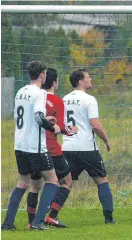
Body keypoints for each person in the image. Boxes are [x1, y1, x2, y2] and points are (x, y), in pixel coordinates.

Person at [1, 61, 61, 231]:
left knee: (22, 182)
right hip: (35, 147)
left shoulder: (21, 91)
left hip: (20, 144)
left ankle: (7, 223)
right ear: (42, 74)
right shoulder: (40, 93)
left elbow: (25, 116)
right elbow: (38, 118)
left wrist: (45, 119)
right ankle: (37, 222)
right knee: (53, 180)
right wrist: (53, 127)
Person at [27, 68, 78, 229]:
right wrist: (72, 130)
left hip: (33, 147)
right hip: (51, 148)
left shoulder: (34, 97)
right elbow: (60, 127)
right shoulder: (56, 101)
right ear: (55, 82)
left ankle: (31, 221)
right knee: (66, 181)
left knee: (35, 185)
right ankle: (51, 217)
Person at [62, 69, 114, 224]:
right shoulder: (89, 99)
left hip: (68, 147)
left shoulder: (64, 99)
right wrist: (105, 139)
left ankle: (51, 215)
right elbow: (95, 125)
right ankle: (109, 218)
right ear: (80, 81)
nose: (90, 78)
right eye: (87, 77)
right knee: (101, 180)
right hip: (87, 148)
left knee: (64, 183)